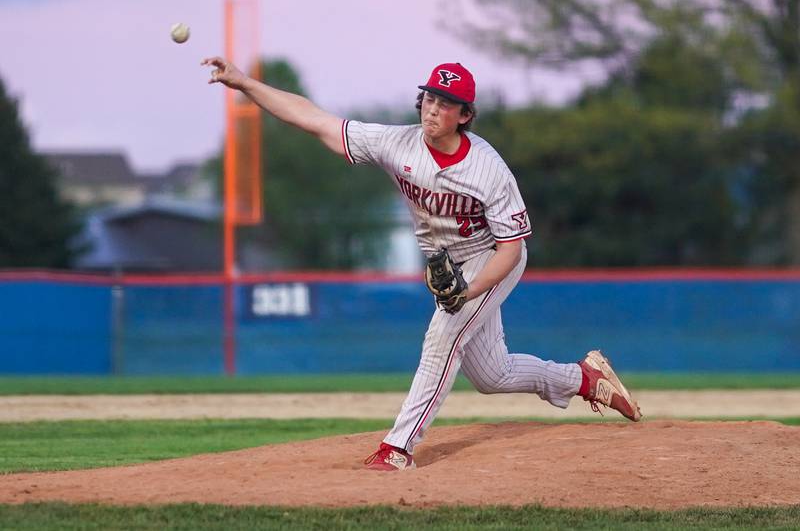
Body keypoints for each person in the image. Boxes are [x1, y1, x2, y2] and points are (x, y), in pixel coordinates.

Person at [202, 56, 642, 471]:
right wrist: (243, 82)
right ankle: (583, 378)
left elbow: (511, 249)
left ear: (464, 115)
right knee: (492, 374)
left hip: (490, 258)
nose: (433, 108)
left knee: (441, 338)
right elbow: (314, 120)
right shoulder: (398, 143)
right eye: (430, 98)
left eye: (446, 103)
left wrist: (467, 292)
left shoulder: (487, 170)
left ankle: (397, 448)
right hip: (449, 263)